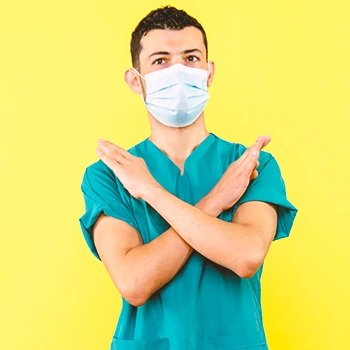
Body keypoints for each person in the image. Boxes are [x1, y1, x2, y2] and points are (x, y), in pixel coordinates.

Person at [79, 6, 298, 350]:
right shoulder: (109, 175)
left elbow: (245, 255)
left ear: (209, 73)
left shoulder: (251, 165)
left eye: (191, 58)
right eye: (161, 61)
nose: (179, 70)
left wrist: (150, 191)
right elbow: (134, 282)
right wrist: (215, 201)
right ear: (136, 80)